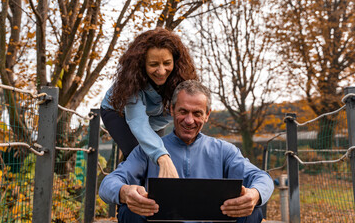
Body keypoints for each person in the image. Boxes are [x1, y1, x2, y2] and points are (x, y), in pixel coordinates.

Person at [99, 80, 274, 223]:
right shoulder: (148, 151)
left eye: (197, 113)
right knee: (129, 211)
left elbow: (262, 178)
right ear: (172, 110)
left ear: (207, 114)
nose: (189, 120)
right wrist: (125, 192)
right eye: (183, 111)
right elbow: (108, 184)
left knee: (253, 211)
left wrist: (255, 194)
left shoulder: (224, 151)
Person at [100, 28, 198, 178]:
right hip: (118, 113)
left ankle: (156, 198)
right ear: (142, 64)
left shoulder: (180, 79)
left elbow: (182, 112)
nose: (161, 71)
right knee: (139, 155)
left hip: (154, 117)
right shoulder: (132, 82)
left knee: (155, 154)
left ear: (175, 61)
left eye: (167, 63)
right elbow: (138, 122)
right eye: (153, 64)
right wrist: (162, 156)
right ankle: (125, 196)